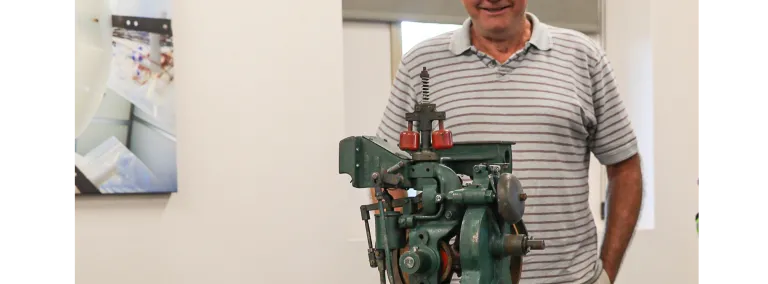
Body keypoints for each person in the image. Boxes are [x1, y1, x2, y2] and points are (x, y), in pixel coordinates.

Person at [370, 0, 644, 283]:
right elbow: (385, 174)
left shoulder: (583, 55)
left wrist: (607, 274)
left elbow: (625, 168)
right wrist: (412, 264)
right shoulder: (421, 62)